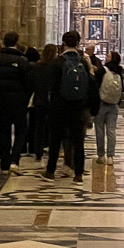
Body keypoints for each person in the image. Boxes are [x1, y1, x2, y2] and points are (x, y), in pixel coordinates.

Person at [43, 30, 92, 185]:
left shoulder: (57, 63)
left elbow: (50, 86)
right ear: (78, 43)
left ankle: (50, 171)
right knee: (78, 141)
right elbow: (90, 86)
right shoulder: (83, 63)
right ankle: (78, 174)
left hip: (59, 106)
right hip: (77, 107)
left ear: (63, 43)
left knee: (56, 139)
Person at [0, 31, 35, 174]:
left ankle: (4, 164)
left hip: (2, 100)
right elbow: (29, 82)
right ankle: (14, 160)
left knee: (4, 131)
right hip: (19, 101)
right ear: (16, 42)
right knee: (21, 131)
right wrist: (25, 98)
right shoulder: (22, 60)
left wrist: (0, 92)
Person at [28, 42, 58, 160]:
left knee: (39, 127)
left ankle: (38, 152)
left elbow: (32, 83)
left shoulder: (37, 67)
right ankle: (51, 150)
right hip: (52, 100)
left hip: (39, 100)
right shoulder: (56, 66)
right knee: (52, 128)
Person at [93, 49, 124, 164]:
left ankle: (101, 155)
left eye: (108, 56)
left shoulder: (102, 70)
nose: (106, 57)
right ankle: (111, 156)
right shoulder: (119, 71)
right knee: (111, 130)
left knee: (99, 130)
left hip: (101, 102)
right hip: (114, 104)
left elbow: (95, 86)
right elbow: (122, 88)